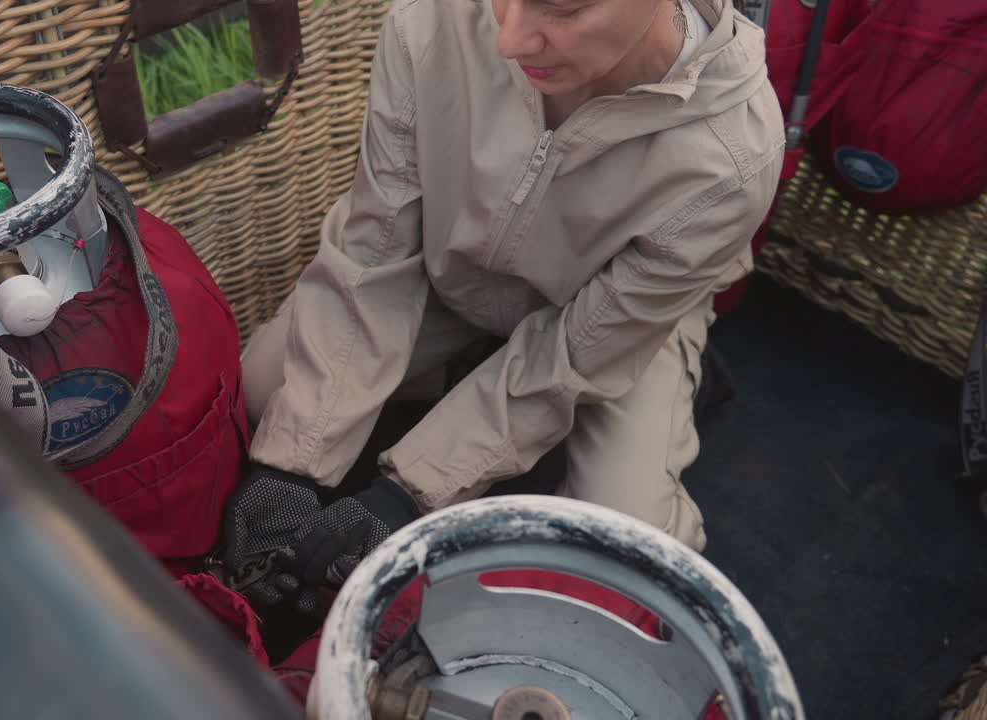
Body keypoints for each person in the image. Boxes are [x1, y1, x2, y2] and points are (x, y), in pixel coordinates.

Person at [220, 0, 784, 613]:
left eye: (562, 9)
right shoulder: (428, 20)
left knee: (625, 549)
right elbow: (378, 247)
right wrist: (295, 466)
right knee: (263, 391)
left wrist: (411, 493)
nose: (509, 40)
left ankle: (670, 388)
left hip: (611, 332)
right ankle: (457, 384)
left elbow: (575, 354)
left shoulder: (731, 158)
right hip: (443, 276)